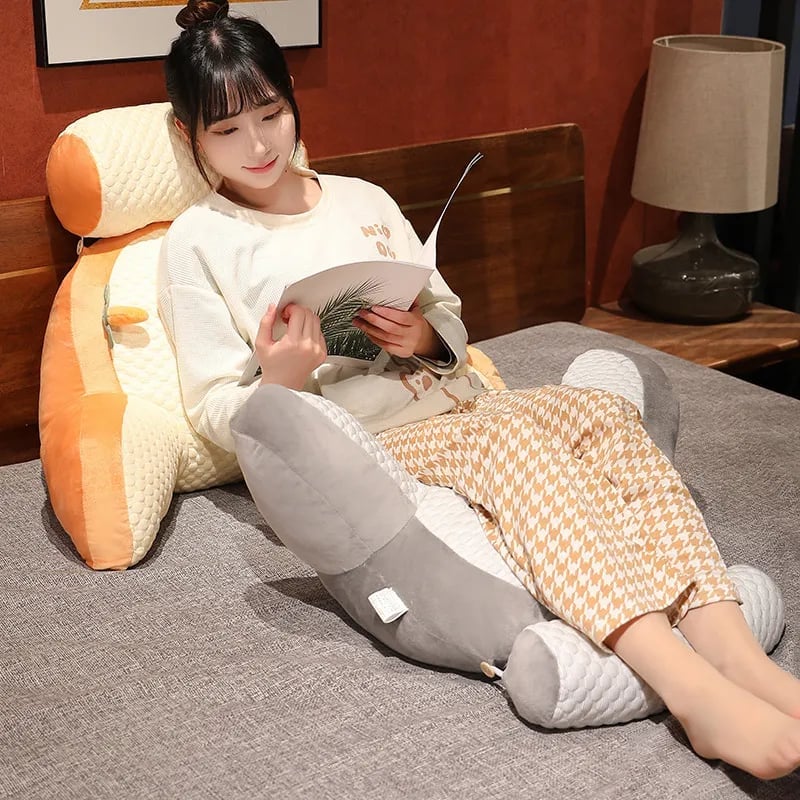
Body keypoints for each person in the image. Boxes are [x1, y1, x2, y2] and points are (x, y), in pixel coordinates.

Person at [158, 0, 800, 780]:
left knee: (598, 412)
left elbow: (446, 312)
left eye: (270, 114)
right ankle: (691, 690)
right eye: (228, 129)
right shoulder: (198, 242)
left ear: (292, 99)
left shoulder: (362, 199)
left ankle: (738, 657)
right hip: (371, 443)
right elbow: (213, 405)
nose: (259, 144)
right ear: (188, 135)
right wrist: (283, 381)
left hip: (460, 402)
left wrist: (423, 337)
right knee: (508, 438)